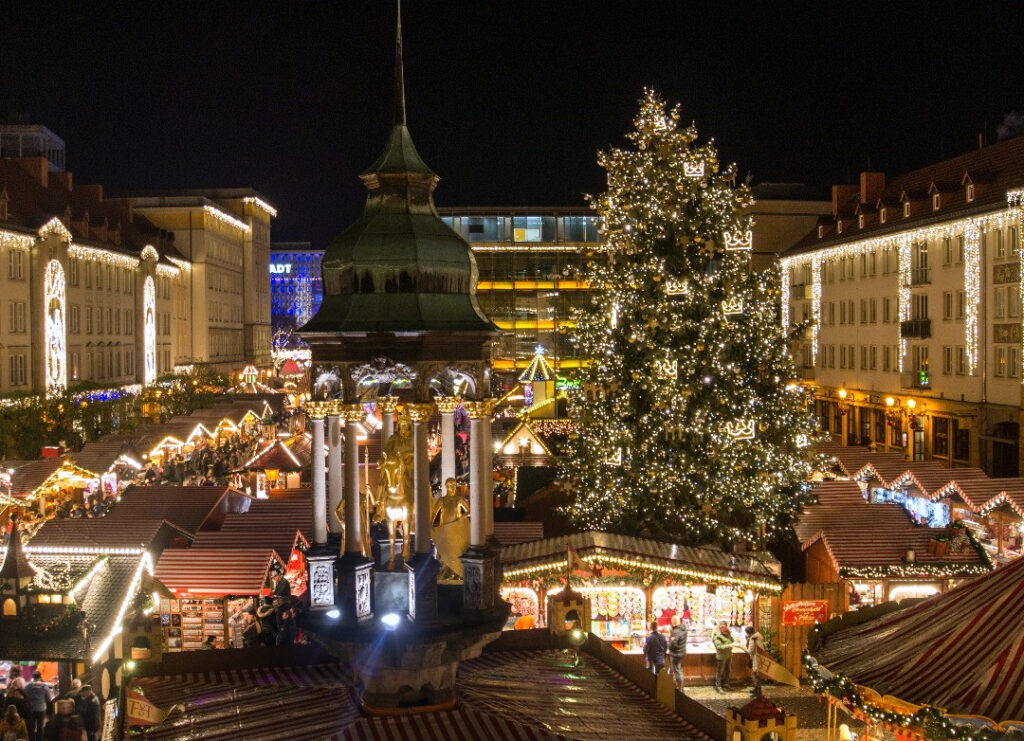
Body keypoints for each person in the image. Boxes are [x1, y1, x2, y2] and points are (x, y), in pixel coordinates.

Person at [22, 672, 49, 741]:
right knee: (40, 727)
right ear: (40, 677)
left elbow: (23, 694)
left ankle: (32, 739)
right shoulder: (44, 686)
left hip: (31, 709)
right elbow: (49, 698)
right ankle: (40, 739)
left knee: (31, 727)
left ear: (33, 677)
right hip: (41, 708)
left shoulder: (28, 686)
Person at [712, 621, 735, 693]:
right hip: (721, 656)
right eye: (723, 627)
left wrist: (734, 641)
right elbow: (718, 647)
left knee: (728, 670)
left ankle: (726, 684)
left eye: (726, 626)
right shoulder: (717, 635)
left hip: (728, 654)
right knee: (720, 671)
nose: (725, 628)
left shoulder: (728, 632)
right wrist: (729, 645)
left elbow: (730, 640)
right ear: (720, 627)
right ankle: (718, 686)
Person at [667, 615, 688, 691]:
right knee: (679, 669)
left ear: (674, 622)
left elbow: (673, 644)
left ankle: (679, 689)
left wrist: (668, 646)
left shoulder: (676, 631)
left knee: (677, 671)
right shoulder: (683, 629)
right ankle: (680, 686)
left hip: (676, 654)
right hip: (682, 652)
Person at [745, 626, 764, 697]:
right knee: (757, 674)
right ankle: (756, 689)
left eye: (746, 633)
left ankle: (758, 692)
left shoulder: (753, 638)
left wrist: (740, 647)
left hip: (756, 658)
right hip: (759, 657)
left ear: (748, 633)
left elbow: (749, 650)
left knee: (756, 674)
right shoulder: (758, 636)